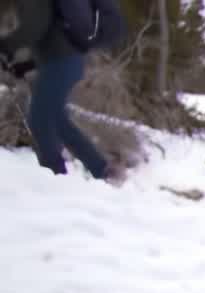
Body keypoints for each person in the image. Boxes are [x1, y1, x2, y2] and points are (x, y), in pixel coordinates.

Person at [0, 0, 120, 183]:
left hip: (60, 64)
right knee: (57, 120)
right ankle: (102, 170)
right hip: (65, 62)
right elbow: (50, 33)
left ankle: (54, 177)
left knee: (39, 120)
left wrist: (6, 45)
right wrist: (26, 64)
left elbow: (34, 28)